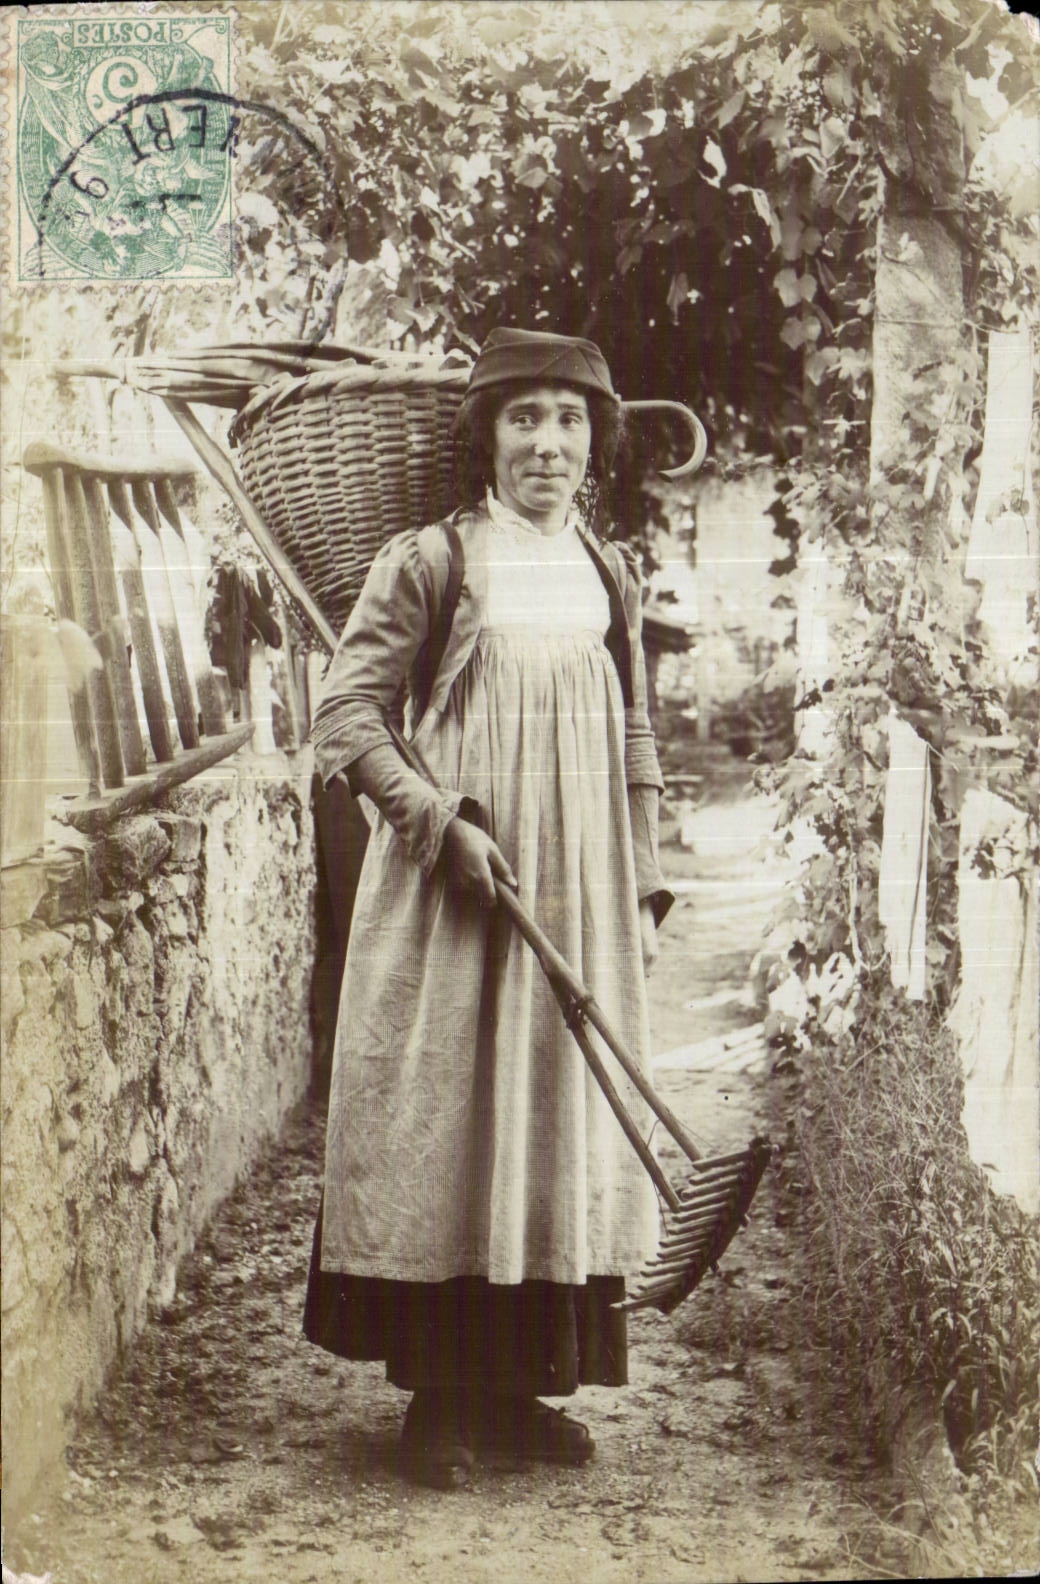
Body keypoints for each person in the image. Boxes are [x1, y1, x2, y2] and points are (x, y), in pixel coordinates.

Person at [303, 327, 674, 1489]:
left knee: (550, 1123)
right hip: (455, 888)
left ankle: (518, 1396)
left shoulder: (608, 571)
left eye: (569, 421)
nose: (547, 444)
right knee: (452, 1124)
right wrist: (437, 818)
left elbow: (635, 729)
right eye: (524, 419)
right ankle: (439, 1407)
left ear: (595, 442)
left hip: (577, 889)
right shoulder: (429, 561)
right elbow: (347, 717)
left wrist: (644, 872)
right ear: (485, 438)